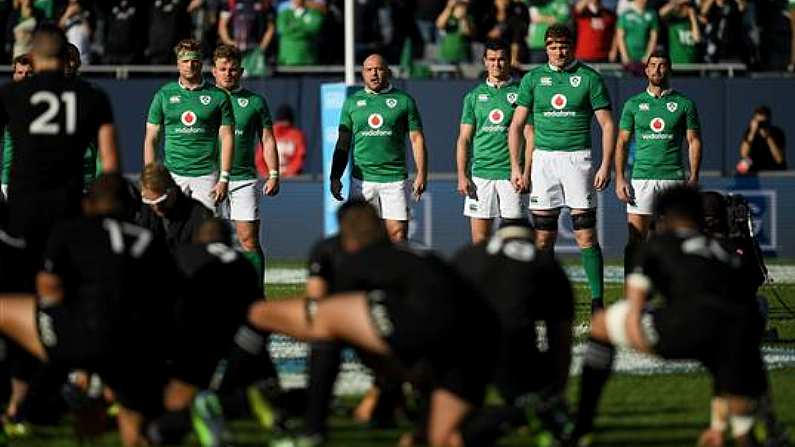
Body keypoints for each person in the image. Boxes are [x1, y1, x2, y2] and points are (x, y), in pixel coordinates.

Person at [244, 200, 498, 446]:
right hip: (478, 344)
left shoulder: (358, 260)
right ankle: (518, 414)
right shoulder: (422, 254)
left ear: (346, 237)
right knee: (440, 439)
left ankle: (311, 425)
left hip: (431, 336)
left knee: (318, 320)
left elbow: (327, 319)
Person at [570, 184, 783, 447]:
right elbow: (742, 314)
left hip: (679, 328)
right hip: (732, 335)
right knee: (732, 351)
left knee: (602, 324)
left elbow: (635, 304)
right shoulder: (725, 251)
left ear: (663, 217)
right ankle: (747, 430)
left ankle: (581, 425)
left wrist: (641, 341)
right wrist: (718, 425)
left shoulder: (659, 244)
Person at [0, 173, 178, 447]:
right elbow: (165, 302)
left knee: (6, 309)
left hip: (75, 337)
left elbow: (49, 290)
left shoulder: (69, 230)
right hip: (132, 348)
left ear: (88, 204)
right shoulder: (149, 240)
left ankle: (24, 403)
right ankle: (102, 398)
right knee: (136, 434)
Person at [507, 24, 615, 312]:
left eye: (563, 45)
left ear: (572, 46)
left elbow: (607, 124)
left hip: (578, 160)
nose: (558, 51)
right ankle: (544, 296)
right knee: (543, 237)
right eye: (553, 46)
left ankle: (596, 302)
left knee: (585, 235)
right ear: (546, 48)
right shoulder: (532, 79)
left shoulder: (590, 78)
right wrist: (517, 167)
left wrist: (606, 164)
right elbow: (516, 125)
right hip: (543, 161)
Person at [0, 24, 120, 269]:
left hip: (23, 204)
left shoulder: (11, 93)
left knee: (22, 279)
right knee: (67, 274)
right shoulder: (92, 96)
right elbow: (110, 159)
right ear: (65, 56)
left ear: (33, 54)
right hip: (69, 203)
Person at [452, 220, 575, 445]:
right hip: (513, 349)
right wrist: (555, 392)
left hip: (463, 352)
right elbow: (560, 340)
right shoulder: (546, 263)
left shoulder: (467, 255)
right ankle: (533, 412)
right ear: (531, 239)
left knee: (449, 427)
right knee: (533, 400)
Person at [614, 50, 701, 271]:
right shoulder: (633, 104)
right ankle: (632, 293)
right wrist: (620, 178)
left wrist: (694, 176)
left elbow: (693, 141)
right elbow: (622, 143)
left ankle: (678, 295)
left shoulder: (684, 104)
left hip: (673, 178)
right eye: (652, 65)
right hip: (641, 178)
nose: (657, 70)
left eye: (662, 65)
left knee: (677, 240)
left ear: (669, 69)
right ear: (646, 70)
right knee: (636, 239)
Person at [329, 54, 428, 242]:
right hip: (362, 180)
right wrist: (335, 176)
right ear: (363, 74)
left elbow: (416, 139)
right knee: (361, 236)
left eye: (379, 69)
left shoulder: (404, 100)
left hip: (394, 178)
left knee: (398, 235)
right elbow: (343, 142)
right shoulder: (352, 103)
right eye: (369, 70)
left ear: (388, 72)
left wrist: (422, 173)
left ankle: (395, 272)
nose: (374, 74)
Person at [211, 44, 279, 285]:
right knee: (209, 240)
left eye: (232, 69)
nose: (228, 73)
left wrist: (273, 174)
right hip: (209, 179)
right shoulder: (204, 99)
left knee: (248, 240)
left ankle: (256, 293)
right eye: (222, 69)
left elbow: (268, 139)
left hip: (243, 179)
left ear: (240, 71)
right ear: (213, 71)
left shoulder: (255, 102)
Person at [143, 38, 235, 212]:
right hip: (172, 175)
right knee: (171, 230)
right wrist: (150, 178)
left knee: (206, 230)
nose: (190, 65)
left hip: (207, 175)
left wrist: (224, 178)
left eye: (195, 61)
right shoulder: (163, 95)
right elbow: (151, 138)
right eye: (185, 61)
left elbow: (227, 137)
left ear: (201, 63)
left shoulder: (219, 96)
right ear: (178, 64)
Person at [456, 39, 529, 243]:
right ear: (485, 61)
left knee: (515, 239)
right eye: (492, 59)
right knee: (480, 240)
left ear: (509, 60)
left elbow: (529, 135)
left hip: (511, 176)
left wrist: (525, 172)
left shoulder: (522, 93)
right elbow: (464, 139)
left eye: (501, 59)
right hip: (481, 176)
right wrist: (462, 175)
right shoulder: (473, 97)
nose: (497, 64)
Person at [136, 162, 213, 254]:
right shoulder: (142, 213)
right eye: (150, 203)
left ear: (173, 191)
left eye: (161, 201)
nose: (156, 207)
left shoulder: (199, 215)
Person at [0, 53, 34, 202]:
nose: (24, 76)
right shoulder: (5, 99)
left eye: (28, 73)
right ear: (14, 74)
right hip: (8, 178)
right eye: (20, 72)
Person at [217, 0, 276, 77]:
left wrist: (262, 47)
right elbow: (222, 26)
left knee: (256, 82)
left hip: (255, 52)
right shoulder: (230, 3)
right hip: (236, 53)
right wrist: (229, 43)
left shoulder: (263, 3)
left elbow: (270, 28)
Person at [736, 105, 787, 174]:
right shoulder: (750, 132)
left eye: (763, 122)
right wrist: (752, 132)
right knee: (743, 164)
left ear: (769, 121)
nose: (761, 125)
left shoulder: (777, 132)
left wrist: (768, 137)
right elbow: (743, 154)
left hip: (772, 164)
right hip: (755, 164)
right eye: (759, 122)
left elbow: (779, 159)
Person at [276, 0, 324, 66]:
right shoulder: (284, 14)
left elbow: (314, 28)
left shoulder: (314, 13)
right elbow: (282, 29)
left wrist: (293, 28)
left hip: (308, 59)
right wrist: (303, 26)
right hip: (287, 59)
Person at [614, 0, 659, 65]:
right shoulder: (625, 15)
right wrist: (625, 56)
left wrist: (648, 56)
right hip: (629, 57)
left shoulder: (652, 14)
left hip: (644, 58)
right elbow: (620, 37)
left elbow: (654, 38)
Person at [268, 104, 307, 177]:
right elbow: (260, 159)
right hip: (273, 178)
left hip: (290, 178)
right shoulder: (269, 134)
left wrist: (287, 171)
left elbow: (300, 157)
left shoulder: (297, 135)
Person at [658, 0, 702, 65]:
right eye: (682, 6)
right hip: (675, 64)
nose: (684, 9)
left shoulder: (694, 22)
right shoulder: (671, 21)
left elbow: (697, 39)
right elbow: (659, 14)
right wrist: (677, 2)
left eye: (686, 6)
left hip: (692, 63)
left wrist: (693, 17)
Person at [435, 0, 474, 64]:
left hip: (464, 55)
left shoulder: (469, 17)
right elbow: (439, 25)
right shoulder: (448, 16)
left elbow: (467, 32)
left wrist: (463, 18)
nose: (462, 7)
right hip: (446, 56)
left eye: (464, 5)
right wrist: (448, 7)